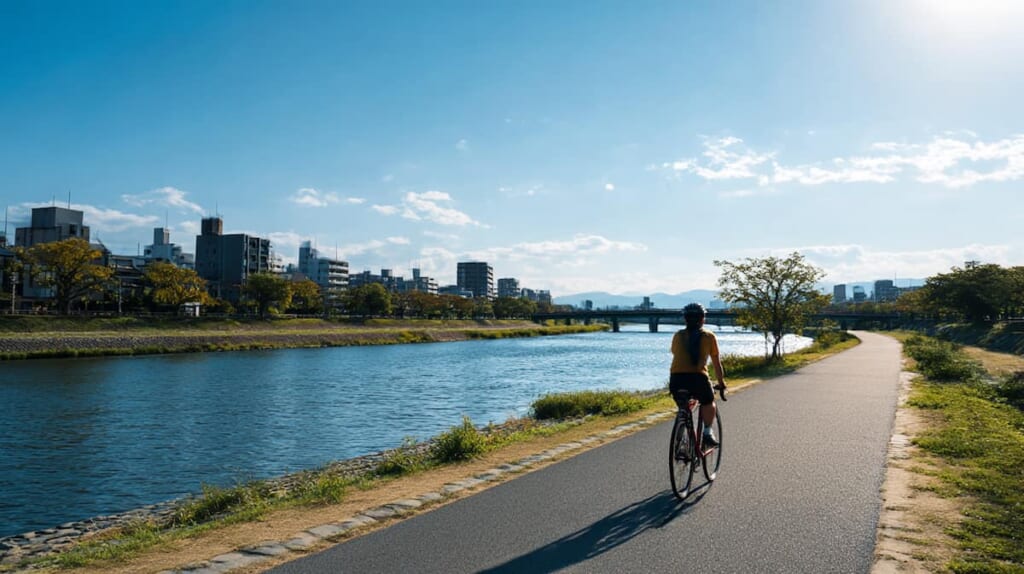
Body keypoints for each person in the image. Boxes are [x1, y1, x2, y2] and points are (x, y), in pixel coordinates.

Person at [669, 302, 726, 446]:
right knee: (708, 402)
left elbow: (676, 354)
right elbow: (716, 363)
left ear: (685, 319)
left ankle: (683, 426)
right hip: (698, 378)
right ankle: (707, 432)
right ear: (703, 319)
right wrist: (721, 383)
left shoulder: (678, 336)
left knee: (684, 406)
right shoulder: (709, 336)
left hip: (676, 379)